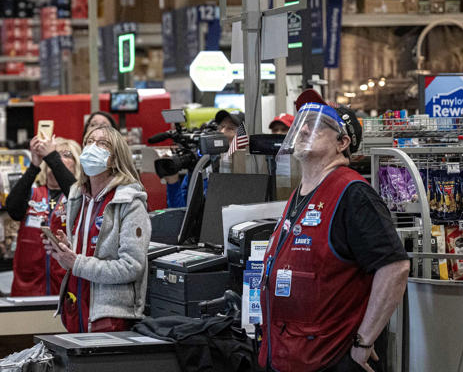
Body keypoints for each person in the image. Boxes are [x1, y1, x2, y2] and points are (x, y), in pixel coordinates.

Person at [259, 90, 410, 372]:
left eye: (317, 124)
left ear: (342, 142)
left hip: (330, 358)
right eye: (302, 120)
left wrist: (364, 342)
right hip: (292, 353)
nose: (303, 128)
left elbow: (395, 268)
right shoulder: (299, 195)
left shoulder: (352, 194)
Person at [46, 126, 151, 333]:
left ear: (115, 157)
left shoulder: (130, 202)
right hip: (76, 307)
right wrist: (65, 252)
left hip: (110, 318)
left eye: (102, 144)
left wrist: (77, 263)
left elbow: (132, 266)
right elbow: (81, 257)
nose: (93, 147)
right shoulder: (78, 197)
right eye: (89, 141)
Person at [6, 136, 82, 296]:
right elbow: (12, 209)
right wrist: (34, 165)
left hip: (67, 287)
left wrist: (53, 158)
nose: (57, 157)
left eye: (66, 154)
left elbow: (76, 197)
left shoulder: (79, 196)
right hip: (28, 287)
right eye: (55, 154)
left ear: (77, 164)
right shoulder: (33, 193)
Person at [164, 110, 245, 208]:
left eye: (230, 128)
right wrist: (173, 182)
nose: (222, 132)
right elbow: (182, 213)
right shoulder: (202, 167)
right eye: (221, 127)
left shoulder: (249, 168)